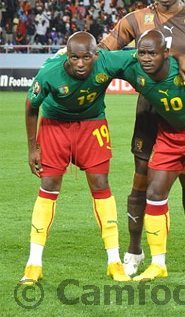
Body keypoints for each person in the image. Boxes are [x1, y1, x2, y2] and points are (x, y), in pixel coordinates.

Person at [100, 0, 185, 277]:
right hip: (149, 112)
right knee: (141, 180)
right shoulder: (135, 19)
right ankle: (134, 250)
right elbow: (104, 51)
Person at [20, 32, 131, 284]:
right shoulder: (50, 71)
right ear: (67, 56)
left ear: (96, 55)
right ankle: (33, 264)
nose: (80, 64)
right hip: (54, 125)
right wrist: (32, 147)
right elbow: (31, 106)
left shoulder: (107, 61)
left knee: (101, 185)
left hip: (92, 124)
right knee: (48, 186)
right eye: (74, 58)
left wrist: (179, 56)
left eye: (86, 58)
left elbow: (141, 57)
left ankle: (114, 261)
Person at [119, 30, 185, 284]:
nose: (146, 58)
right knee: (154, 192)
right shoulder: (133, 67)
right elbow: (99, 57)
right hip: (169, 133)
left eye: (152, 53)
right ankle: (158, 264)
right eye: (142, 53)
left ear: (165, 53)